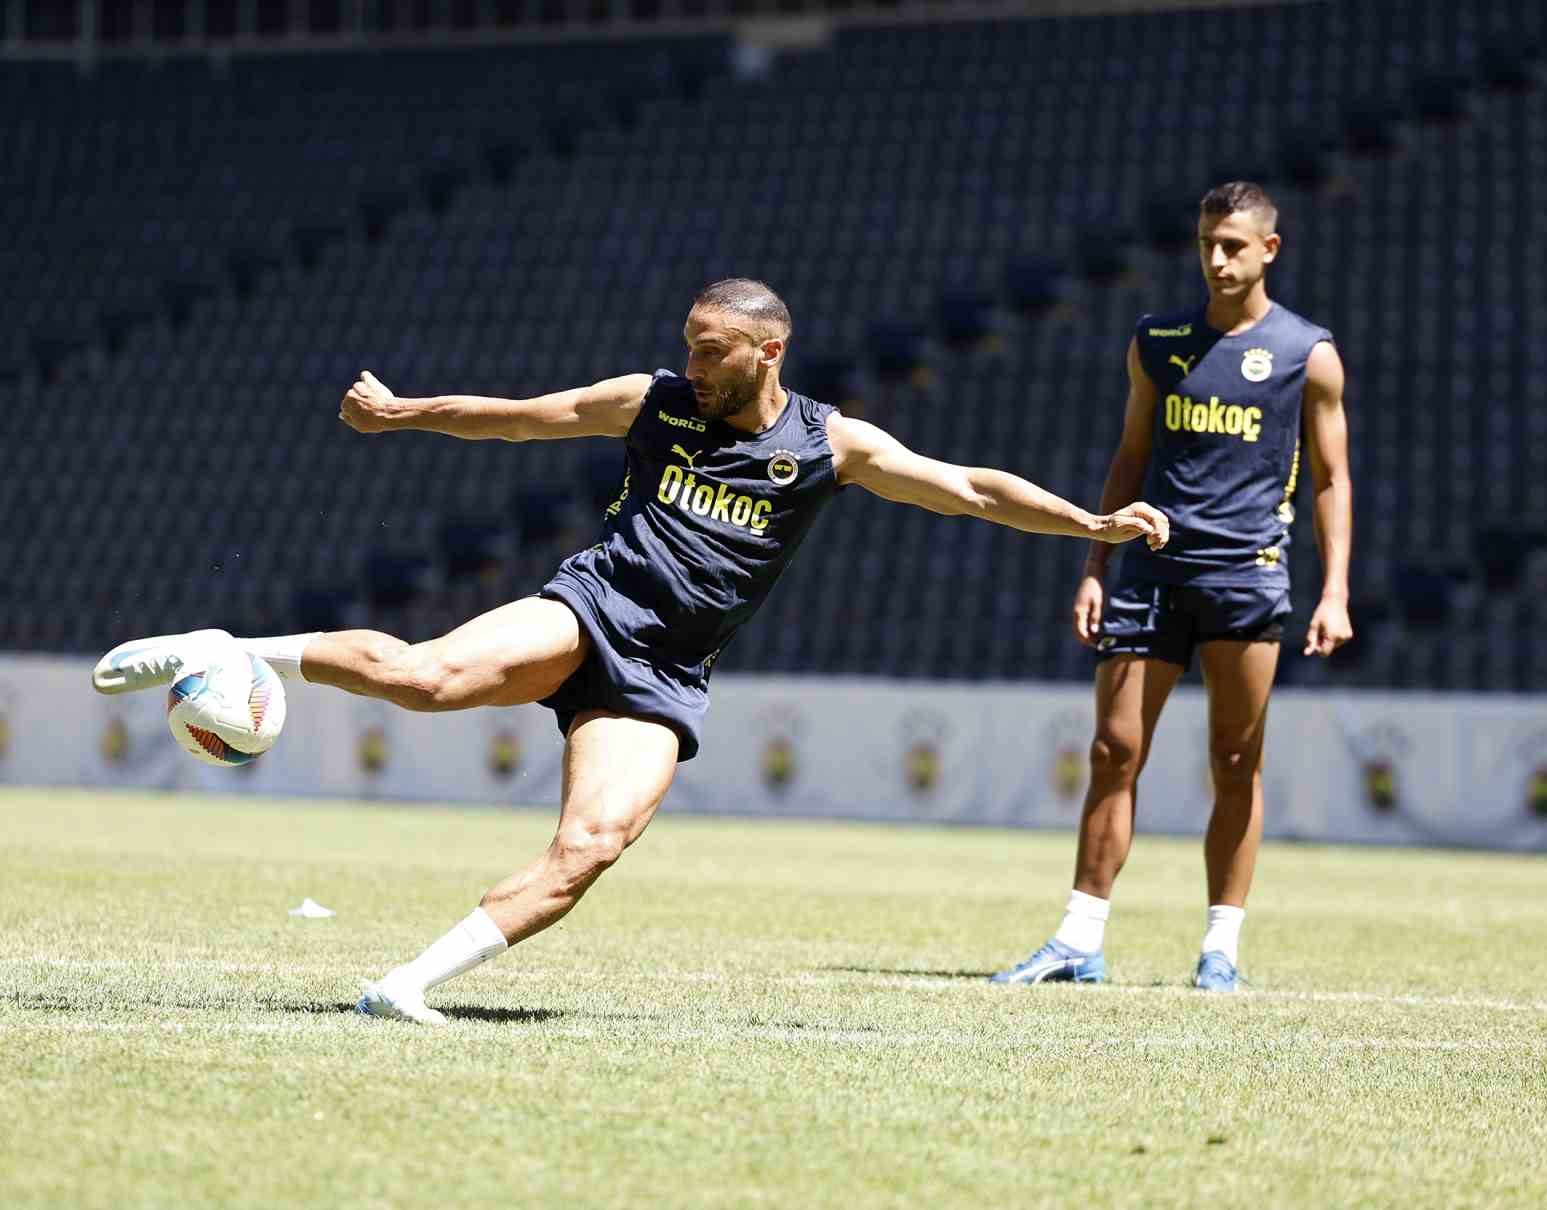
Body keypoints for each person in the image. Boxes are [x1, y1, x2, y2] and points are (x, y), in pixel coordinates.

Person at [93, 278, 1170, 1025]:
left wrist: (1090, 524)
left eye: (712, 350)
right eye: (690, 345)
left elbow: (973, 487)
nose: (692, 363)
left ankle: (405, 984)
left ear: (768, 350)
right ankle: (228, 647)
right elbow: (521, 418)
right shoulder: (652, 401)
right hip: (591, 608)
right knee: (425, 677)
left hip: (669, 673)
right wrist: (399, 413)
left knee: (591, 846)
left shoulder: (827, 445)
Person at [990, 182, 1352, 992]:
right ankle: (1079, 939)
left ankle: (1220, 948)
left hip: (1248, 575)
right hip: (1151, 566)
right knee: (1114, 750)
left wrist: (1334, 592)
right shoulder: (1157, 340)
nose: (1216, 259)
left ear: (1270, 250)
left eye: (1232, 244)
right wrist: (1094, 560)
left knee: (1234, 758)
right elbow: (1129, 456)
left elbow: (1332, 478)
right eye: (1205, 244)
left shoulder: (1307, 353)